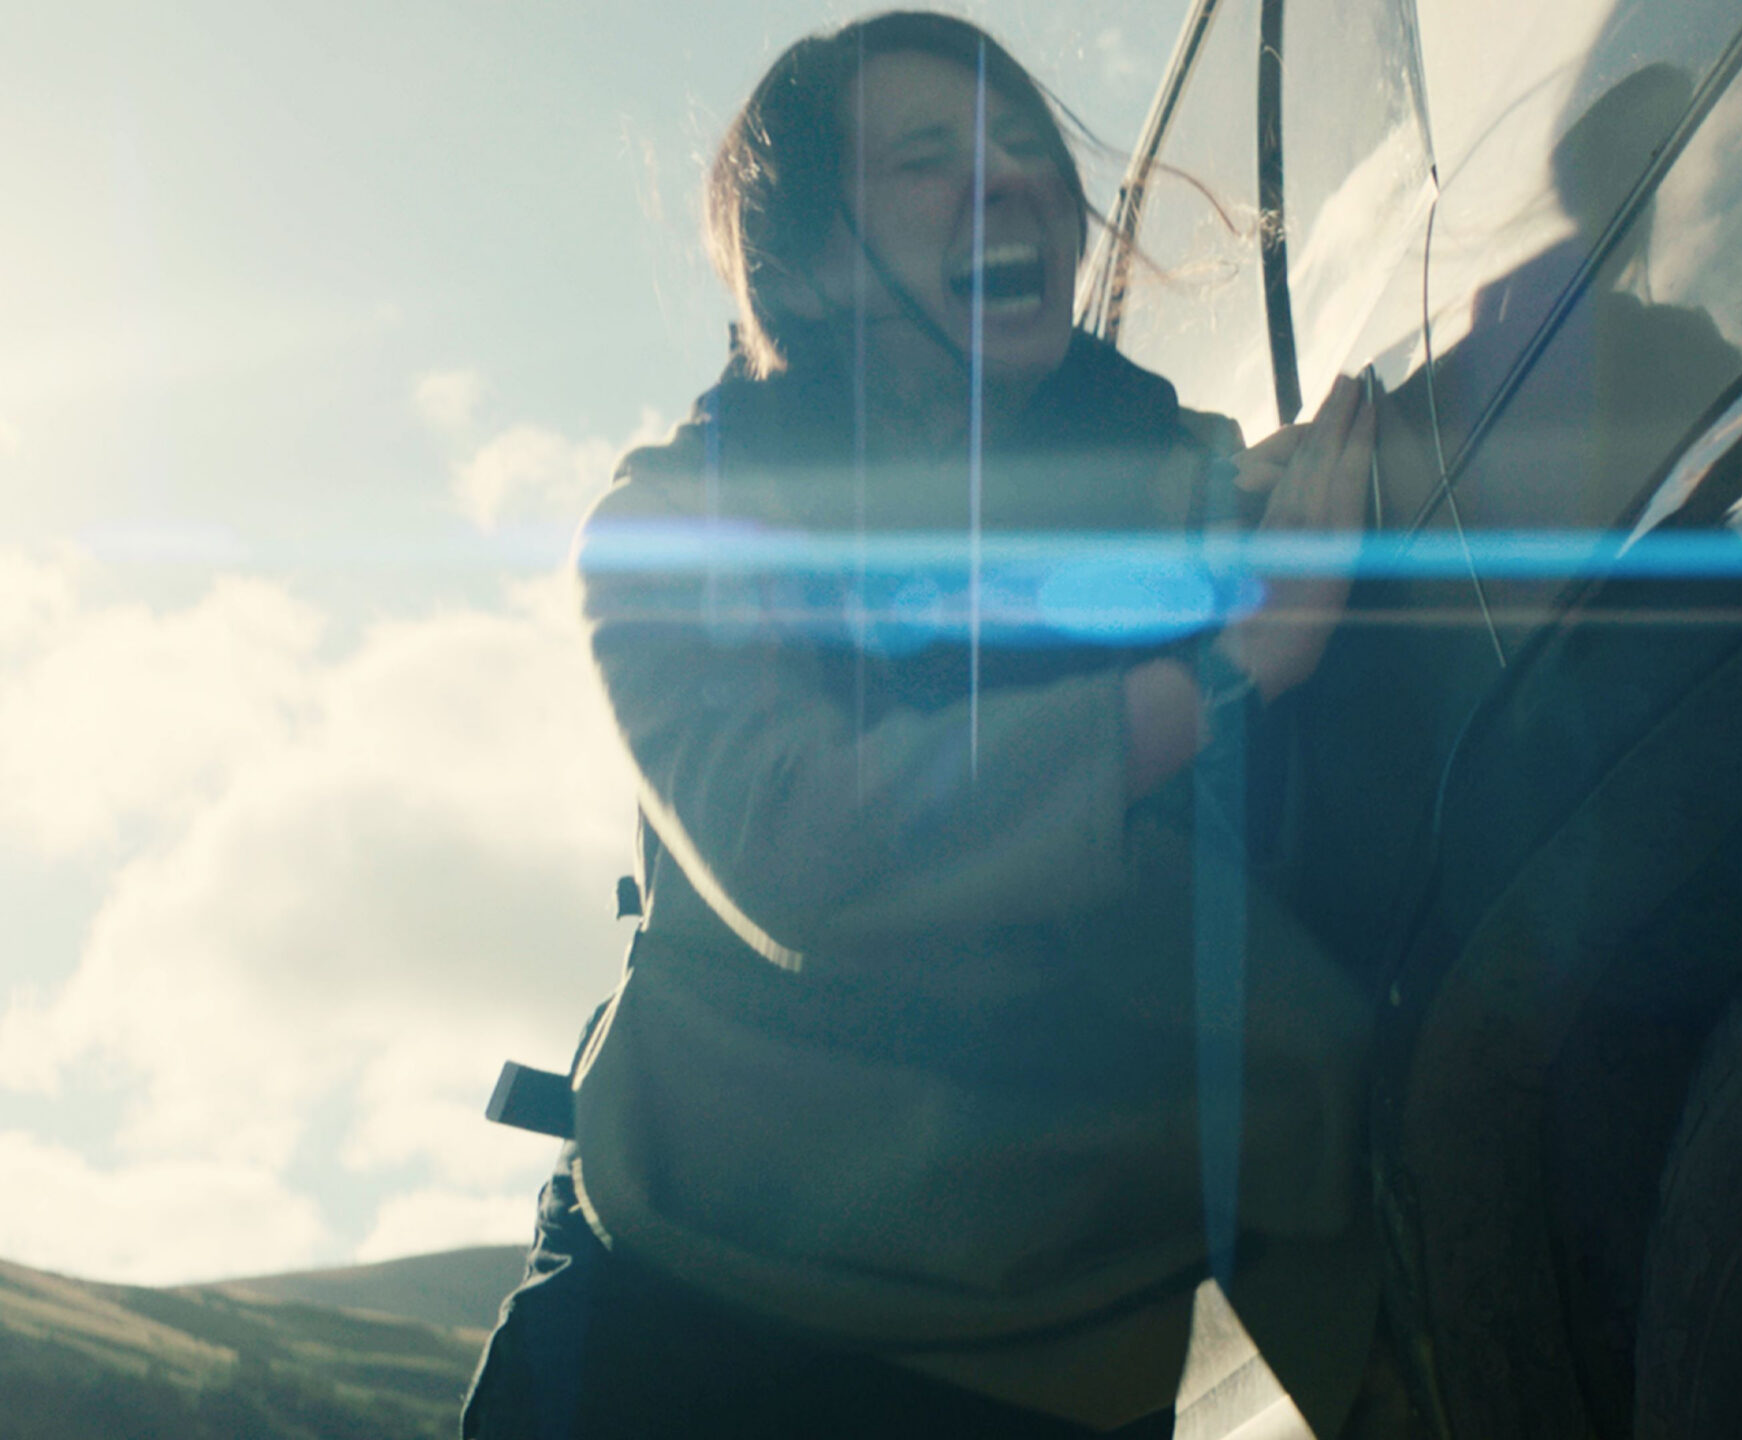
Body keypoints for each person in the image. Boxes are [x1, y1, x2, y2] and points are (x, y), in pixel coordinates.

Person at [461, 12, 1384, 1438]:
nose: (1009, 178)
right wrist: (1223, 675)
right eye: (924, 158)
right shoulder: (676, 523)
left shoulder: (1196, 492)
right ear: (805, 265)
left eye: (1024, 145)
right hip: (683, 1317)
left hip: (1048, 1355)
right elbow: (796, 846)